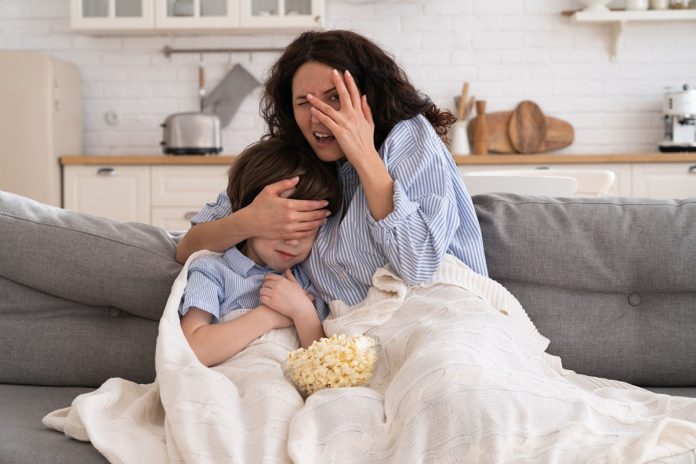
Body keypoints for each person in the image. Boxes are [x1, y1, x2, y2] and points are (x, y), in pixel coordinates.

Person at [176, 29, 488, 309]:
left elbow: (419, 265)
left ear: (369, 97)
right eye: (304, 102)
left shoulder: (407, 138)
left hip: (439, 314)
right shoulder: (298, 158)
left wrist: (365, 156)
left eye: (334, 98)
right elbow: (187, 248)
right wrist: (251, 221)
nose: (318, 117)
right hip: (350, 340)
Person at [179, 138, 343, 367]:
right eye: (282, 225)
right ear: (250, 214)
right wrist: (268, 317)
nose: (293, 240)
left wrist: (303, 314)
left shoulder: (306, 281)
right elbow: (191, 350)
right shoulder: (212, 270)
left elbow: (327, 368)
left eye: (306, 229)